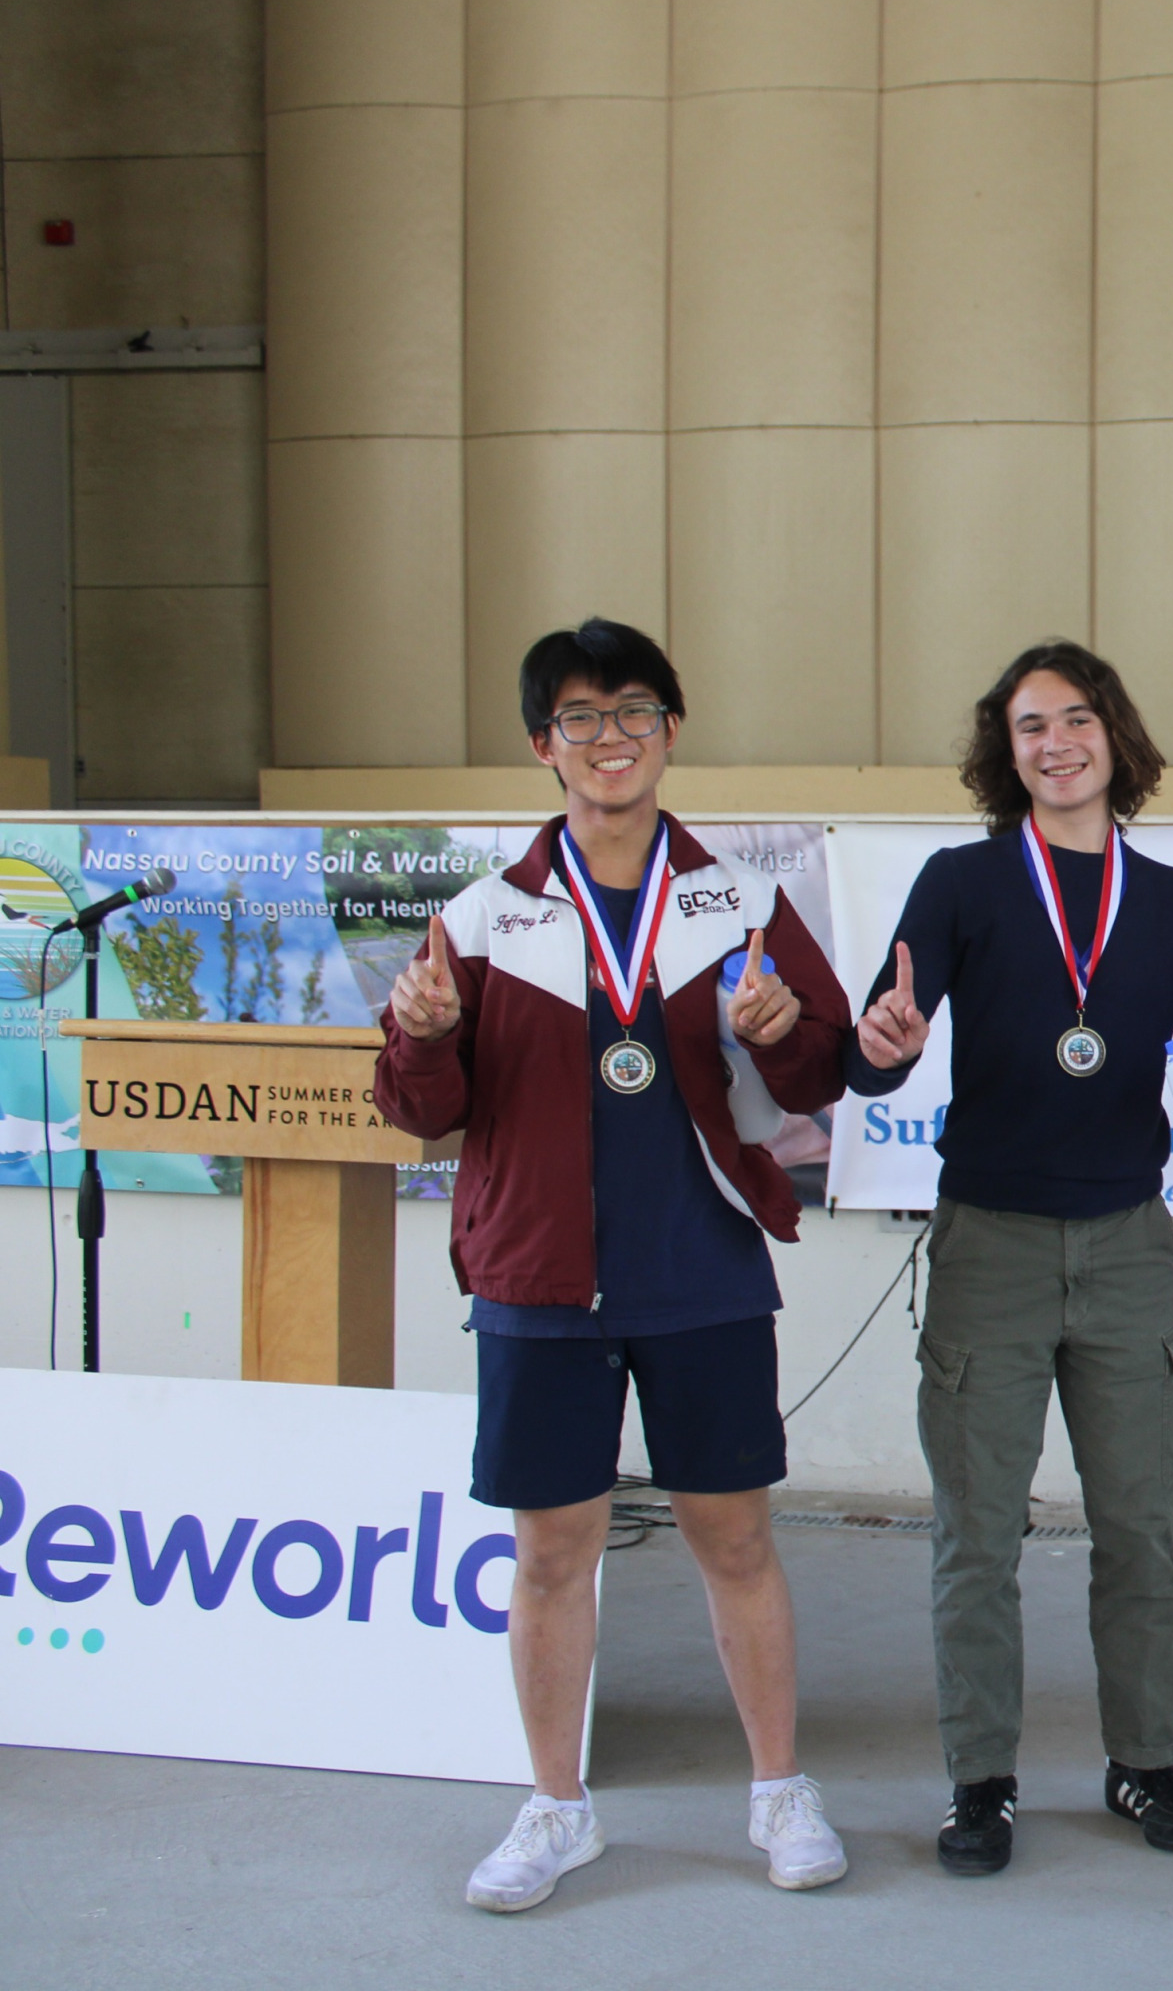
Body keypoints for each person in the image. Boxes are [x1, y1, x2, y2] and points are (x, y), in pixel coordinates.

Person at [374, 618, 855, 1913]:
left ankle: (777, 1790)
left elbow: (820, 1071)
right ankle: (555, 1807)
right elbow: (422, 1109)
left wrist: (782, 1030)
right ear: (545, 746)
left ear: (671, 731)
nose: (608, 738)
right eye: (579, 718)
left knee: (736, 1540)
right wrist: (419, 1038)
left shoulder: (737, 903)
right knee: (550, 1552)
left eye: (632, 711)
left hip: (698, 1265)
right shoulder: (483, 920)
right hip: (537, 1277)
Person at [848, 639, 1173, 1878]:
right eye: (1030, 725)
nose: (1055, 743)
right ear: (1008, 750)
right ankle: (979, 1781)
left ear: (1114, 737)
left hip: (1131, 1241)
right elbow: (880, 1047)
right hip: (990, 1242)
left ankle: (1145, 1762)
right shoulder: (961, 882)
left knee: (1140, 1527)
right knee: (976, 1535)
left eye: (1076, 719)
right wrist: (881, 1047)